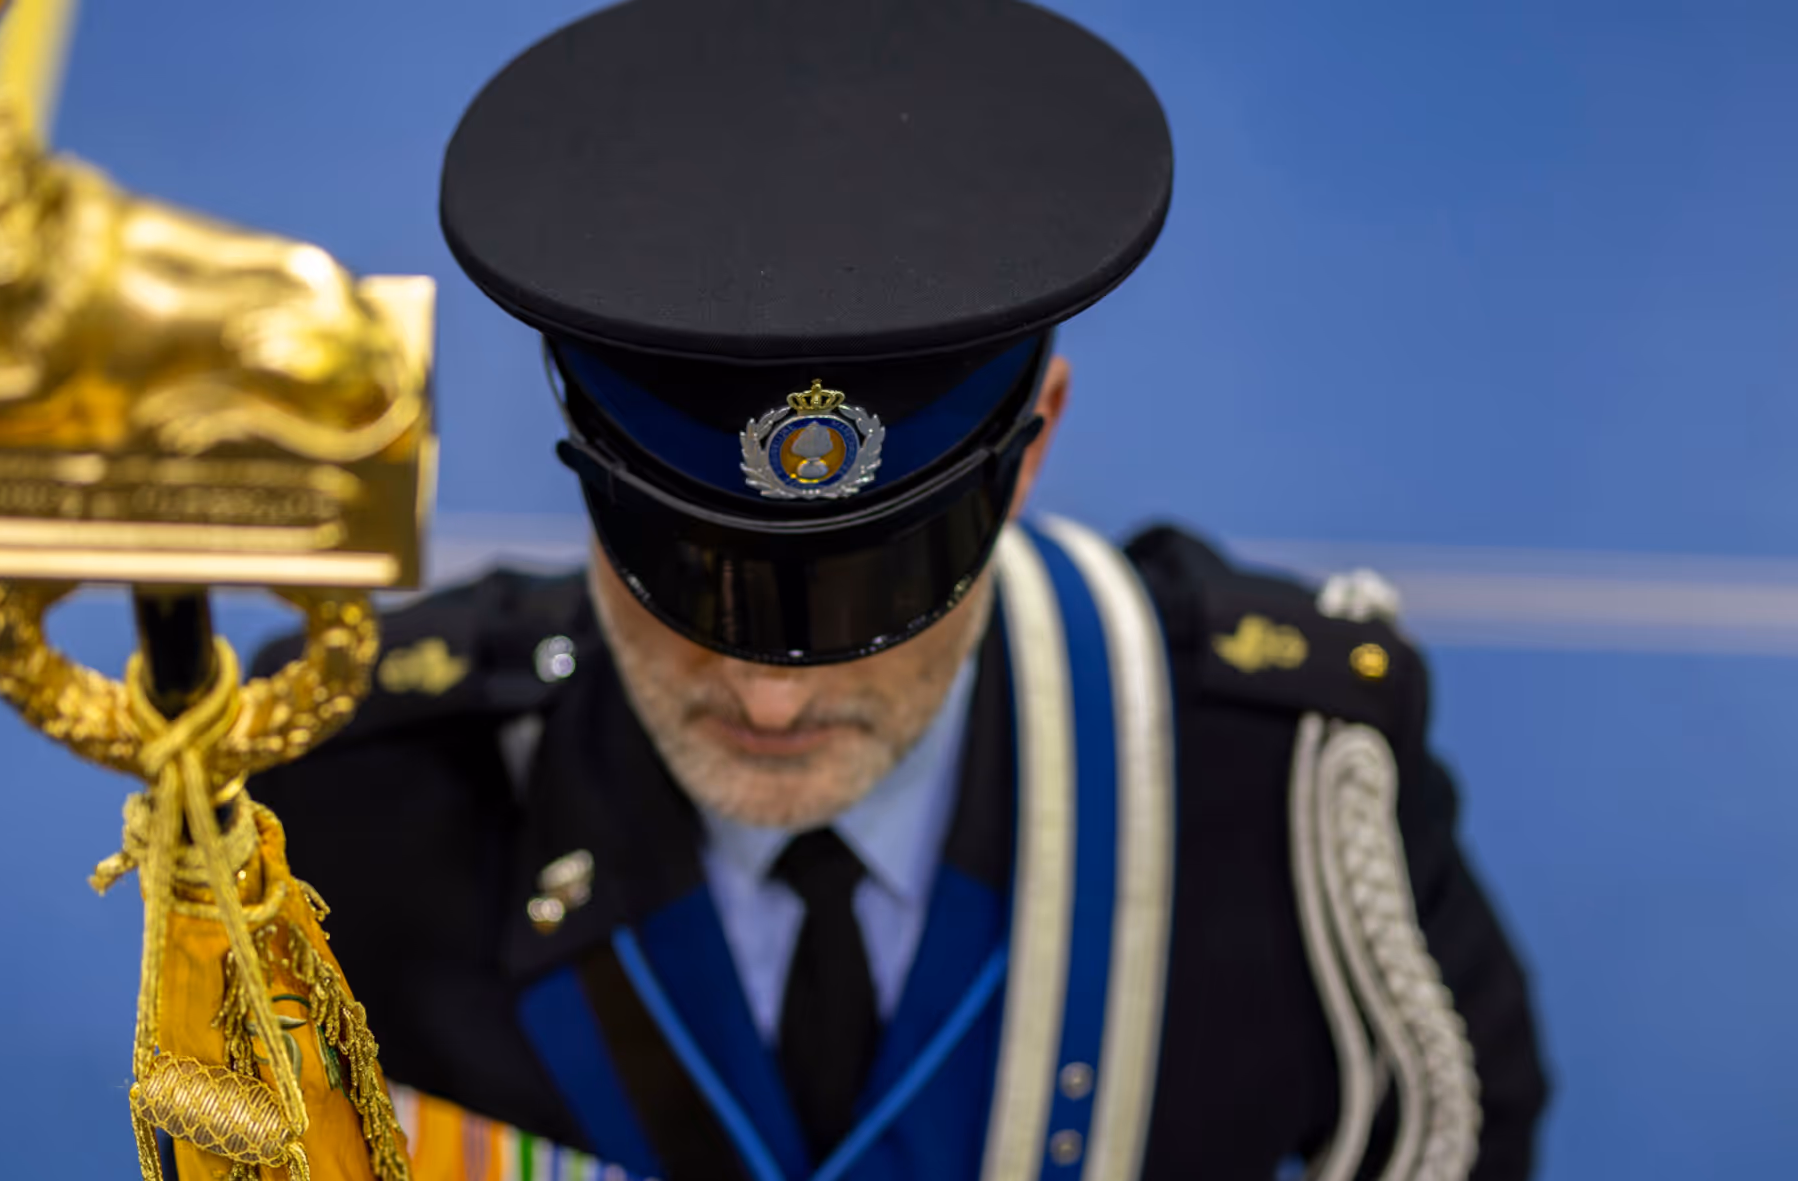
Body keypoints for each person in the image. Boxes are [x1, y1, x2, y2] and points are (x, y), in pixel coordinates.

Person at [248, 2, 1548, 1178]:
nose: (765, 694)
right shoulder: (354, 793)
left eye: (872, 594)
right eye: (688, 582)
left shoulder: (1286, 797)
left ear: (1034, 441)